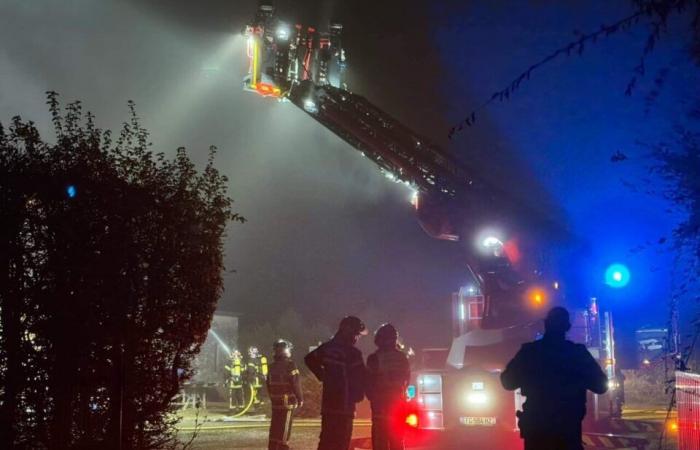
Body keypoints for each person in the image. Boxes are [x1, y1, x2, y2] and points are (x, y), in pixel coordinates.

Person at [501, 306, 608, 450]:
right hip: (568, 431)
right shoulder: (578, 354)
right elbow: (601, 386)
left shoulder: (529, 352)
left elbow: (507, 382)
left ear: (545, 324)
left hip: (537, 433)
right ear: (568, 327)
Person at [305, 316, 368, 450]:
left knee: (326, 442)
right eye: (357, 335)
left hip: (328, 406)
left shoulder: (327, 348)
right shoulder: (353, 353)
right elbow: (361, 377)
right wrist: (360, 394)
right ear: (350, 333)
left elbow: (309, 359)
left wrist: (322, 375)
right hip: (345, 407)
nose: (357, 338)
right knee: (341, 443)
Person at [366, 323, 411, 450]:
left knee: (380, 443)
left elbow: (368, 382)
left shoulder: (374, 358)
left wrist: (372, 397)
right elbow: (407, 380)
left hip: (380, 407)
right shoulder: (402, 358)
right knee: (397, 441)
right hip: (398, 406)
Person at [267, 339, 303, 450]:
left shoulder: (271, 366)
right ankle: (283, 447)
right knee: (285, 427)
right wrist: (300, 398)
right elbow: (296, 383)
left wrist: (273, 397)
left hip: (275, 402)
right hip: (287, 402)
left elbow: (268, 385)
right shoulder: (290, 365)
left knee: (275, 426)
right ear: (286, 351)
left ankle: (272, 446)